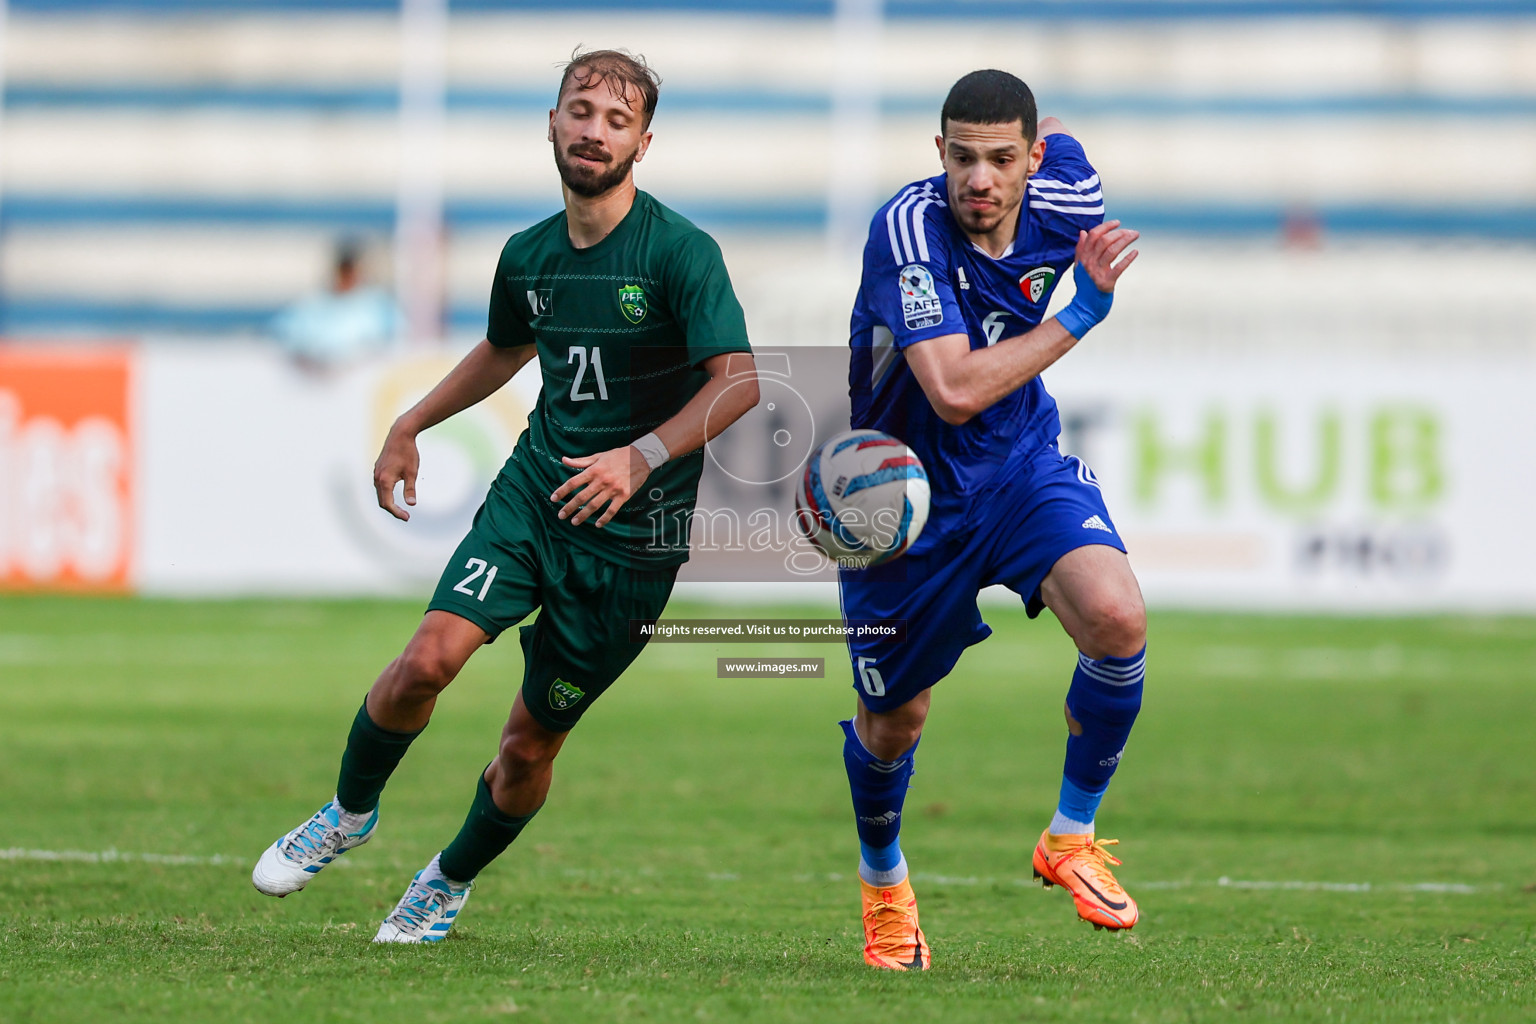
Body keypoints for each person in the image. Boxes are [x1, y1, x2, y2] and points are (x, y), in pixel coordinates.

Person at [250, 49, 760, 943]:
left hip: (633, 547)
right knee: (425, 663)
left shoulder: (682, 253)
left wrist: (641, 458)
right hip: (536, 495)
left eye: (615, 119)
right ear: (553, 123)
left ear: (644, 140)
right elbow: (503, 348)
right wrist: (411, 421)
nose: (594, 131)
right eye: (581, 111)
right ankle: (348, 810)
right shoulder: (528, 255)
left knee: (528, 746)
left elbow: (739, 382)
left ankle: (446, 878)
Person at [838, 69, 1144, 970]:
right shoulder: (908, 229)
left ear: (1033, 158)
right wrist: (1080, 315)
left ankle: (1071, 835)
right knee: (894, 721)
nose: (980, 179)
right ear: (938, 154)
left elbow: (1066, 138)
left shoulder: (1069, 186)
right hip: (900, 498)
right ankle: (885, 883)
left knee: (1118, 616)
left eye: (1002, 159)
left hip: (1015, 467)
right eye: (962, 157)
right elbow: (956, 388)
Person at [270, 239, 403, 367]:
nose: (347, 277)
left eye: (351, 272)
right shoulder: (314, 303)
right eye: (344, 272)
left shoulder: (377, 304)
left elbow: (396, 341)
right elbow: (285, 335)